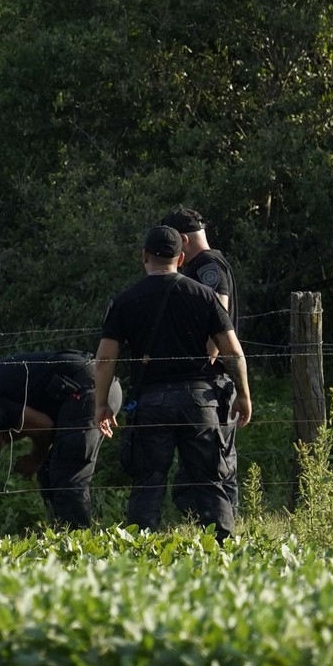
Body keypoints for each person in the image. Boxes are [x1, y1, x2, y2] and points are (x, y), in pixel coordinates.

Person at [95, 225, 253, 537]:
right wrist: (244, 395)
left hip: (151, 402)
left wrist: (102, 404)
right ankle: (224, 552)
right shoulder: (205, 296)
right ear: (181, 259)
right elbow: (233, 352)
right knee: (210, 481)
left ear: (144, 256)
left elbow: (104, 360)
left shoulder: (124, 301)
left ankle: (140, 554)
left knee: (148, 482)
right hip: (200, 401)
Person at [0, 351, 119, 528]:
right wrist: (3, 438)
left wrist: (34, 459)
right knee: (50, 472)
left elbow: (43, 426)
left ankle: (79, 545)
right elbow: (32, 420)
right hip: (99, 385)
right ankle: (64, 535)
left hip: (90, 391)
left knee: (67, 475)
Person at [161, 206, 240, 517]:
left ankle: (226, 526)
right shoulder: (210, 261)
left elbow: (216, 316)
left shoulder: (207, 264)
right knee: (200, 464)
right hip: (209, 379)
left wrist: (204, 363)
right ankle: (203, 526)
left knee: (218, 460)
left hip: (213, 379)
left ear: (182, 239)